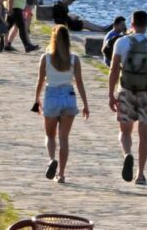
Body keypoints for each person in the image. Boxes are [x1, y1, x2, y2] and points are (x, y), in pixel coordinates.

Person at [108, 10, 147, 185]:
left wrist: (111, 94)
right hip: (146, 92)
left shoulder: (121, 43)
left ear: (132, 24)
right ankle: (140, 175)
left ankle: (127, 154)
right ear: (146, 25)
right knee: (144, 134)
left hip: (126, 90)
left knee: (125, 131)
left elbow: (114, 69)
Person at [34, 25, 90, 183]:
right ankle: (62, 174)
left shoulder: (45, 58)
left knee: (50, 136)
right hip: (69, 96)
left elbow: (40, 81)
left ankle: (52, 159)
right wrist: (85, 104)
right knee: (64, 138)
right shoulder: (74, 59)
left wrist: (36, 99)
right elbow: (79, 83)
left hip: (51, 95)